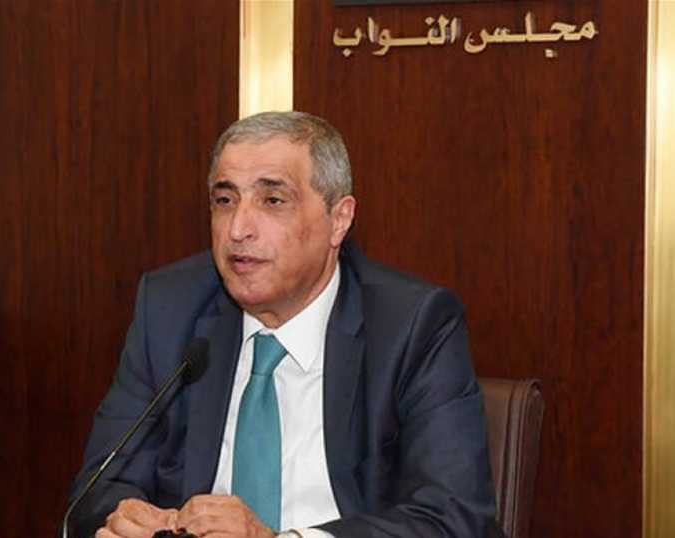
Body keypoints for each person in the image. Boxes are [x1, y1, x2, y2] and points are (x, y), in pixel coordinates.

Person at [65, 111, 499, 538]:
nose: (238, 229)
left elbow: (452, 519)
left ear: (339, 220)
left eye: (272, 200)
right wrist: (128, 520)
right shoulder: (169, 309)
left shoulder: (412, 325)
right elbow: (96, 491)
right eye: (225, 201)